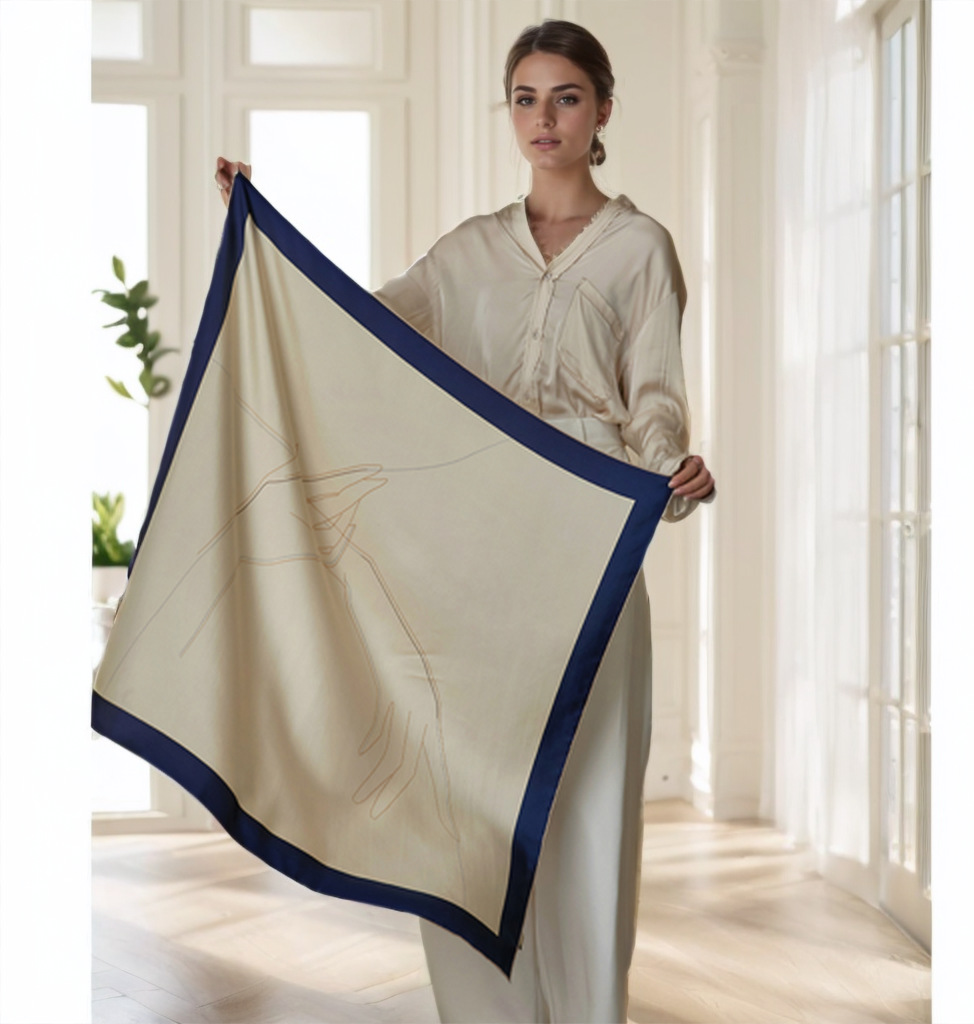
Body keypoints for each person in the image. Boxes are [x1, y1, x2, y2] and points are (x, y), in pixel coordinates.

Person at [215, 18, 715, 1024]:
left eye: (566, 97)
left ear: (602, 110)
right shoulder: (467, 253)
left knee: (588, 802)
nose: (543, 118)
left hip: (592, 540)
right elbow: (358, 327)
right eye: (525, 98)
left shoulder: (639, 249)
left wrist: (669, 472)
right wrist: (262, 238)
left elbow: (654, 397)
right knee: (463, 807)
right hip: (479, 549)